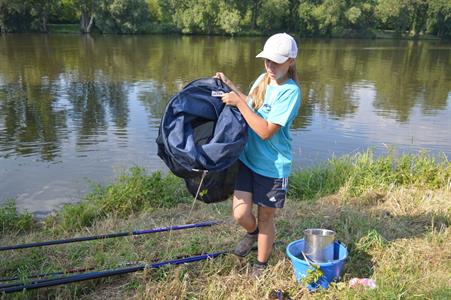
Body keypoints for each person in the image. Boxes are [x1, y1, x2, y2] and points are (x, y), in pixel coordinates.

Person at [214, 33, 302, 278]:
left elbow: (264, 131)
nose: (270, 67)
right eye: (267, 61)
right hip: (248, 161)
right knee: (240, 213)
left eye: (276, 62)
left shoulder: (290, 92)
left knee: (265, 217)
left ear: (291, 61)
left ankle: (261, 264)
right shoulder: (263, 79)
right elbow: (251, 104)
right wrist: (230, 85)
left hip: (273, 167)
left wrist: (239, 104)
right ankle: (251, 234)